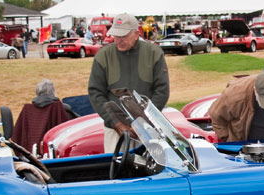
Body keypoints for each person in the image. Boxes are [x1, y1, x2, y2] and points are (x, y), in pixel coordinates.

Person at [88, 12, 170, 153]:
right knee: (118, 170)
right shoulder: (103, 55)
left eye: (123, 36)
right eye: (115, 35)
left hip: (148, 129)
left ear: (136, 34)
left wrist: (144, 123)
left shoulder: (154, 53)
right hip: (115, 131)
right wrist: (116, 123)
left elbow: (162, 91)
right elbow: (96, 93)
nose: (118, 40)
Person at [11, 79, 70, 153]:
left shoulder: (27, 110)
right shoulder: (60, 108)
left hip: (32, 156)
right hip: (55, 155)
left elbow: (16, 137)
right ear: (53, 92)